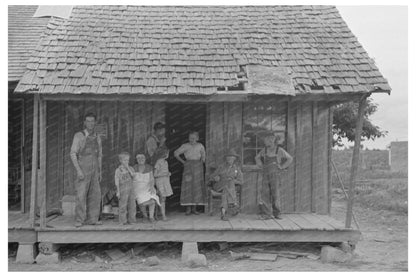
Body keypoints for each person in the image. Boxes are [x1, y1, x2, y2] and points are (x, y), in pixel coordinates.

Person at [70, 113, 102, 227]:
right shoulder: (79, 135)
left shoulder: (97, 136)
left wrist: (99, 171)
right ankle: (79, 220)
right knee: (81, 195)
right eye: (88, 121)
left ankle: (92, 219)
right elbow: (73, 153)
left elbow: (99, 155)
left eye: (92, 121)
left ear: (95, 123)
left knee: (95, 195)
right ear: (84, 123)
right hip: (83, 168)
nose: (90, 123)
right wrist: (78, 170)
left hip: (95, 169)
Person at [255, 132, 293, 219]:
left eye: (271, 139)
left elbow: (290, 158)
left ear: (274, 140)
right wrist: (260, 165)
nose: (268, 141)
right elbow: (257, 158)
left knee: (275, 194)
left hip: (275, 175)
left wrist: (282, 166)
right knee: (265, 194)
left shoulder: (279, 150)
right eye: (267, 139)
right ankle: (266, 214)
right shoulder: (264, 150)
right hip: (265, 175)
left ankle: (277, 213)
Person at [174, 131, 207, 215]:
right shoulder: (185, 146)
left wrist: (201, 162)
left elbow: (203, 157)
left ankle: (194, 208)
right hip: (188, 166)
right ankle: (188, 208)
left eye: (194, 138)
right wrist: (183, 162)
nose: (192, 139)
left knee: (196, 186)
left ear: (197, 138)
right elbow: (176, 153)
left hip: (198, 166)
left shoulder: (200, 146)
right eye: (190, 138)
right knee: (188, 186)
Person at [209, 149, 243, 221]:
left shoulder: (237, 169)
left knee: (225, 191)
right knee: (227, 186)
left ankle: (223, 214)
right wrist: (216, 178)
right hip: (219, 185)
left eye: (231, 157)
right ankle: (234, 204)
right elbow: (212, 177)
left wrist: (233, 180)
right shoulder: (221, 167)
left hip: (228, 188)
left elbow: (241, 181)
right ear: (226, 158)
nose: (229, 159)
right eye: (228, 157)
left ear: (234, 159)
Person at [133, 153, 160, 223]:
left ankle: (151, 217)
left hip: (147, 186)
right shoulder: (134, 167)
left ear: (145, 159)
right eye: (139, 158)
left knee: (153, 198)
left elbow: (151, 179)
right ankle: (145, 216)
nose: (141, 159)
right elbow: (131, 179)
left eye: (142, 158)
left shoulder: (149, 167)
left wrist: (152, 187)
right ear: (136, 160)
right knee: (141, 200)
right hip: (137, 188)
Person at [114, 152, 136, 225]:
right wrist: (118, 191)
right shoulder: (118, 170)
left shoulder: (131, 168)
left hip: (131, 188)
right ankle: (122, 221)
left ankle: (132, 220)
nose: (126, 162)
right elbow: (117, 181)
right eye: (125, 160)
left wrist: (128, 168)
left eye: (128, 160)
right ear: (120, 160)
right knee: (123, 205)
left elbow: (133, 176)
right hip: (122, 188)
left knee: (132, 205)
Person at [153, 148, 173, 221]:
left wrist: (168, 173)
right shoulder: (159, 162)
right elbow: (155, 174)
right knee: (162, 198)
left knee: (164, 198)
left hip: (165, 181)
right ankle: (163, 215)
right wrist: (164, 174)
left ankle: (162, 214)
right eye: (167, 153)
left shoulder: (165, 162)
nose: (167, 154)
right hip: (160, 181)